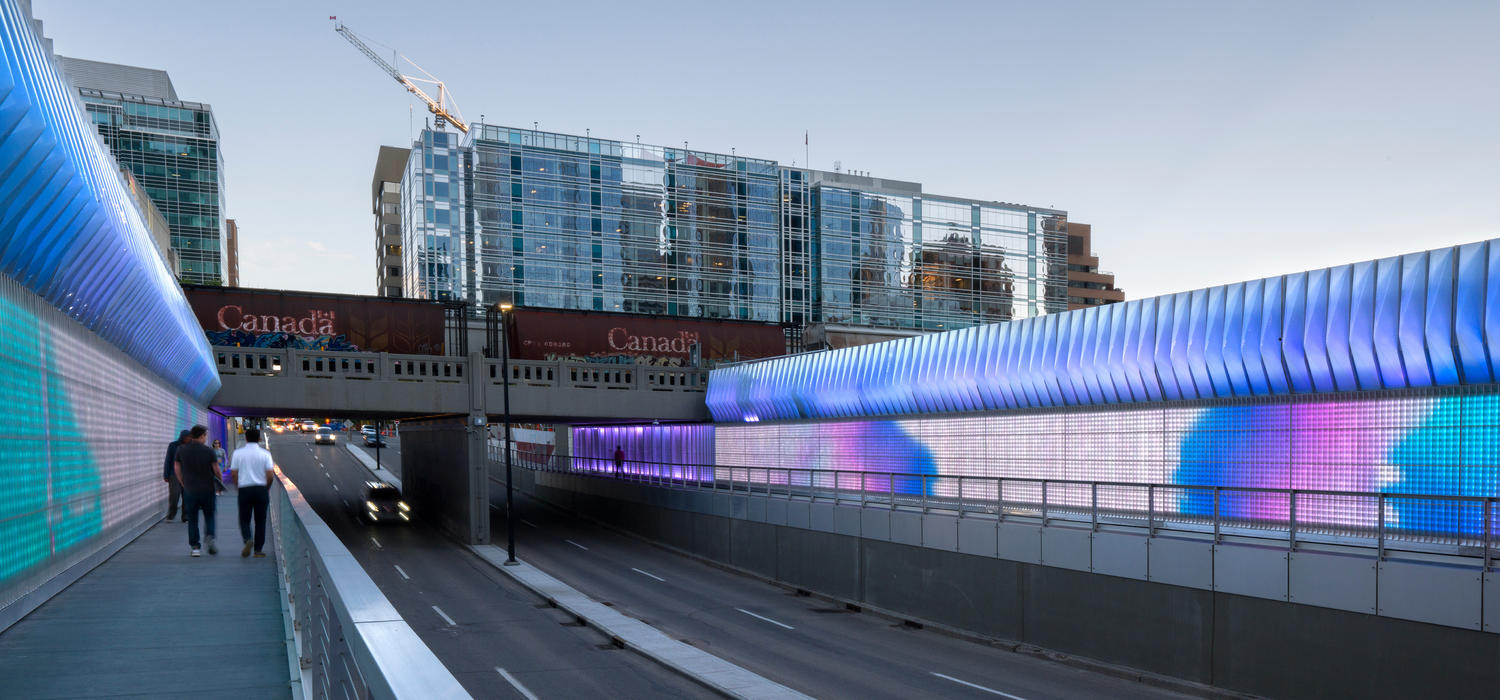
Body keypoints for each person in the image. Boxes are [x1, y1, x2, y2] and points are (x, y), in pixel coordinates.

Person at [174, 425, 223, 557]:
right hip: (208, 489)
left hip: (190, 489)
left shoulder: (181, 449)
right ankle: (210, 537)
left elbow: (177, 468)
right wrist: (220, 482)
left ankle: (195, 547)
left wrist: (182, 483)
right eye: (205, 436)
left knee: (193, 519)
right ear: (202, 436)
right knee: (209, 516)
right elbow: (217, 470)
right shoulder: (208, 451)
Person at [230, 427, 276, 558]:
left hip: (245, 489)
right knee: (260, 520)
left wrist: (238, 486)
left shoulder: (238, 453)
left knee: (244, 518)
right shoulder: (265, 454)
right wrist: (266, 488)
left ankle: (247, 539)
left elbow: (234, 473)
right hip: (261, 489)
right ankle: (258, 550)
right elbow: (270, 475)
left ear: (246, 438)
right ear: (259, 439)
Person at [162, 430, 191, 522]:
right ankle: (171, 515)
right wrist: (166, 474)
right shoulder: (173, 445)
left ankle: (185, 517)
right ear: (182, 437)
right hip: (173, 475)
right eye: (186, 437)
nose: (188, 438)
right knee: (174, 496)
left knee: (186, 496)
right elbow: (168, 460)